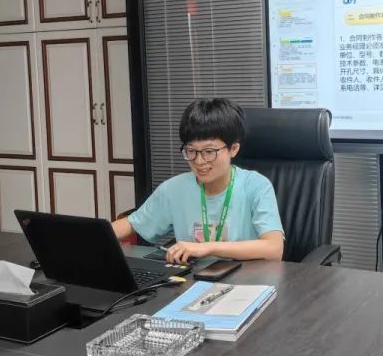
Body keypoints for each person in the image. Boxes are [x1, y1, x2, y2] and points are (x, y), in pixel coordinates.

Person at [111, 98, 284, 263]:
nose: (199, 161)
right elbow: (133, 223)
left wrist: (208, 248)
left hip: (246, 277)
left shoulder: (256, 186)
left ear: (233, 149)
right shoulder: (174, 189)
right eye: (191, 151)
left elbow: (274, 249)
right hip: (192, 277)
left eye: (209, 152)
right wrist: (96, 235)